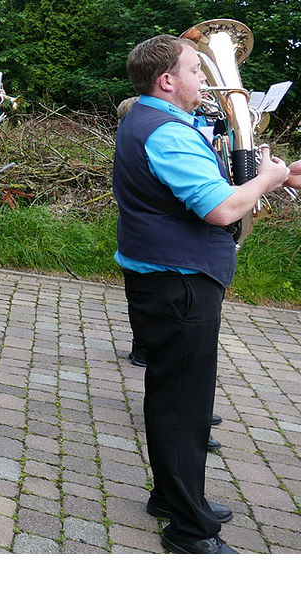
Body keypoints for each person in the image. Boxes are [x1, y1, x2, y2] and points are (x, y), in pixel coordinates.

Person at [113, 33, 289, 554]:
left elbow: (204, 191)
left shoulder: (149, 121)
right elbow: (221, 210)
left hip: (166, 279)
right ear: (167, 80)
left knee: (175, 397)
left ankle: (172, 497)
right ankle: (189, 529)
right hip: (179, 284)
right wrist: (266, 179)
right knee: (182, 407)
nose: (206, 77)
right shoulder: (168, 132)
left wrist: (274, 178)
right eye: (197, 67)